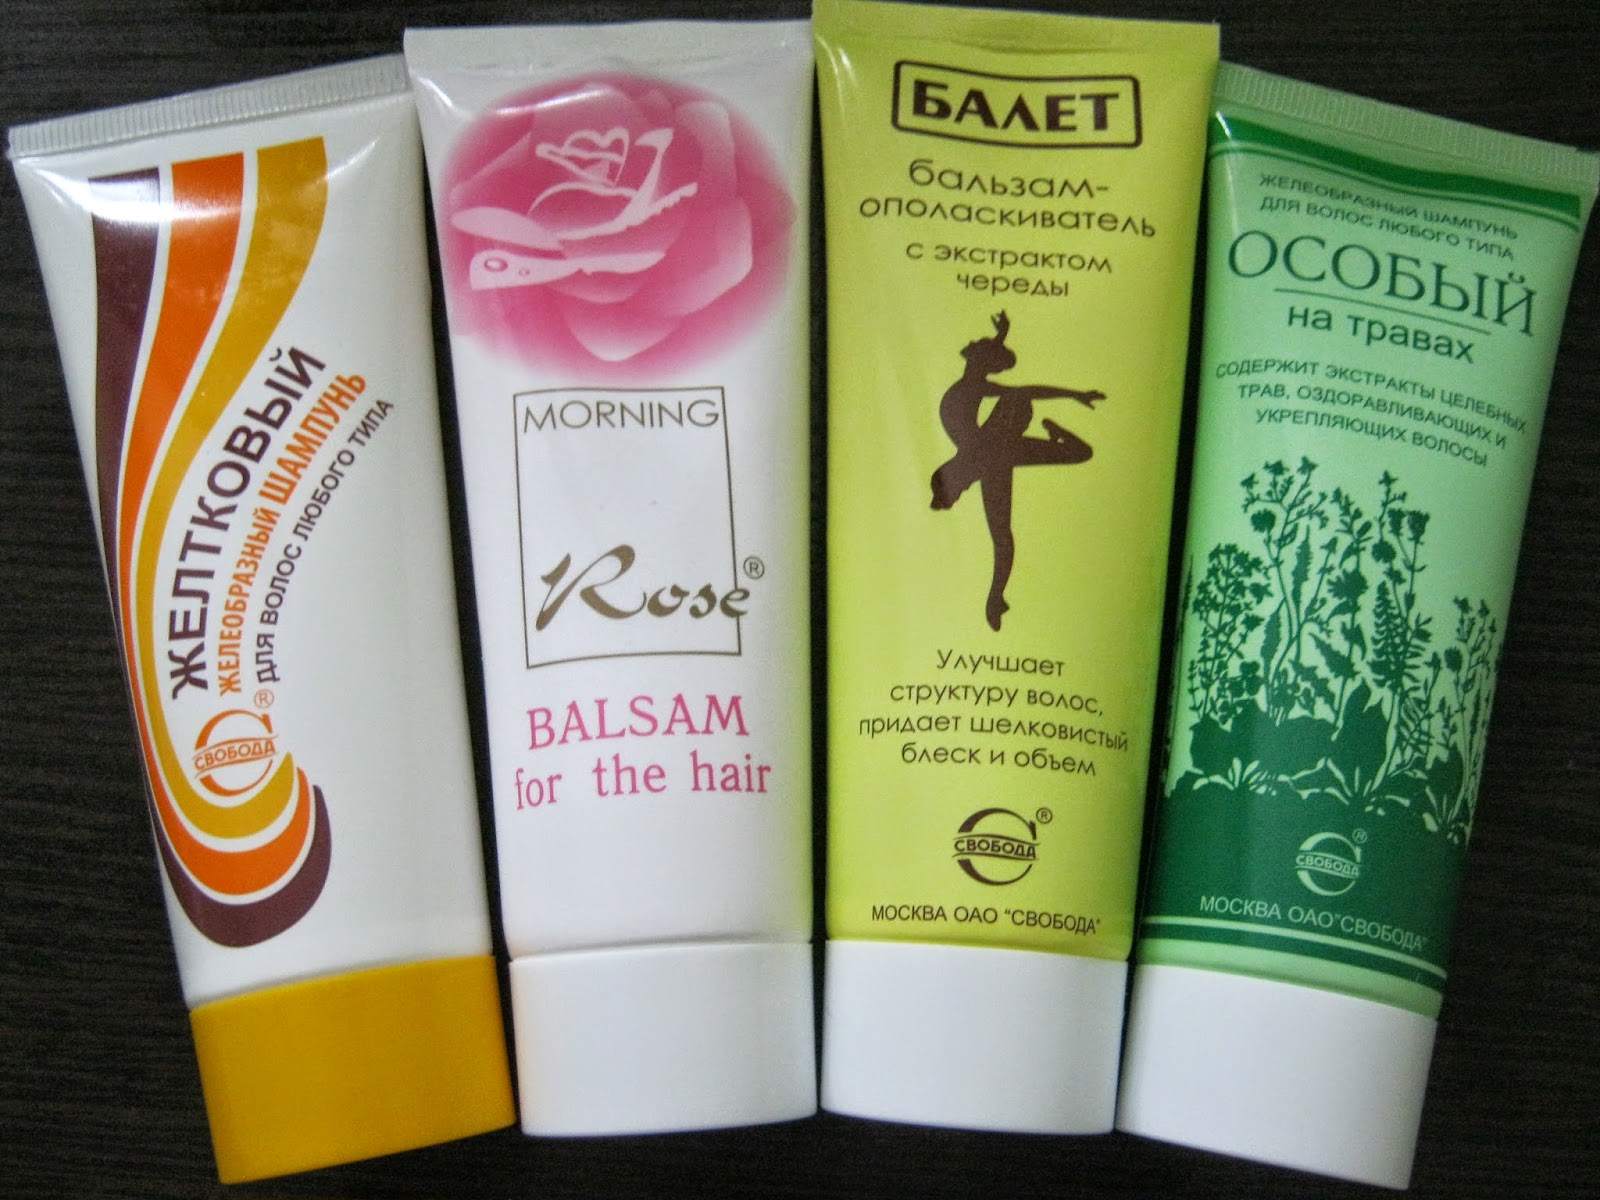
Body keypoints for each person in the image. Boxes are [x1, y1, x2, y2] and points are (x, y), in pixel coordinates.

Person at [930, 311, 1105, 631]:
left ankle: (995, 599)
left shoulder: (977, 403)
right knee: (1078, 453)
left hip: (999, 442)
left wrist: (1075, 394)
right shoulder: (983, 455)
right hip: (999, 451)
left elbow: (1020, 389)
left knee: (1073, 447)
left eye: (959, 488)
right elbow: (1002, 540)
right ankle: (995, 600)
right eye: (960, 491)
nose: (964, 489)